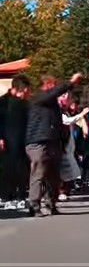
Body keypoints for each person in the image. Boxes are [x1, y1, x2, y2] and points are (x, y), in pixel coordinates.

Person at [25, 73, 82, 217]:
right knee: (38, 173)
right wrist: (71, 82)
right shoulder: (39, 97)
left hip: (53, 141)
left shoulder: (52, 104)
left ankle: (51, 203)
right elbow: (54, 93)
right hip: (38, 141)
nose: (56, 89)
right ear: (48, 85)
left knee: (53, 175)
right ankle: (34, 205)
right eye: (54, 85)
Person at [0, 74, 31, 210]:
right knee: (7, 169)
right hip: (6, 141)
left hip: (21, 141)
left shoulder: (24, 104)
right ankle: (6, 196)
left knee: (21, 169)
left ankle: (20, 196)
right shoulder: (2, 103)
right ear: (22, 89)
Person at [58, 94, 89, 201]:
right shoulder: (58, 111)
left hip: (70, 144)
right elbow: (67, 121)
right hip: (62, 144)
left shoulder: (65, 110)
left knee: (70, 169)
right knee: (63, 169)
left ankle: (66, 189)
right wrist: (82, 114)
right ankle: (61, 190)